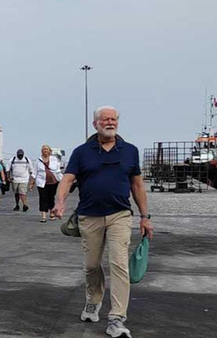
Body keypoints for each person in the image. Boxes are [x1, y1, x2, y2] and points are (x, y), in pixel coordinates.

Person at [52, 106, 154, 338]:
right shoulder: (81, 152)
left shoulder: (130, 150)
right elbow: (67, 180)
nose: (110, 122)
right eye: (105, 119)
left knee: (119, 264)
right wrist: (60, 202)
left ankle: (117, 318)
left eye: (113, 119)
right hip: (89, 216)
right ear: (95, 123)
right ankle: (93, 300)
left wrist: (145, 217)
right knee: (91, 265)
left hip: (120, 215)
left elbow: (137, 185)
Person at [30, 144, 62, 222]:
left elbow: (58, 170)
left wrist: (62, 180)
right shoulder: (38, 160)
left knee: (51, 197)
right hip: (41, 182)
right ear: (42, 151)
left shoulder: (54, 159)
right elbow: (34, 172)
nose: (45, 151)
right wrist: (31, 183)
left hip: (53, 182)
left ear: (49, 151)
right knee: (43, 198)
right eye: (44, 149)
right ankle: (43, 215)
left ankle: (52, 212)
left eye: (46, 149)